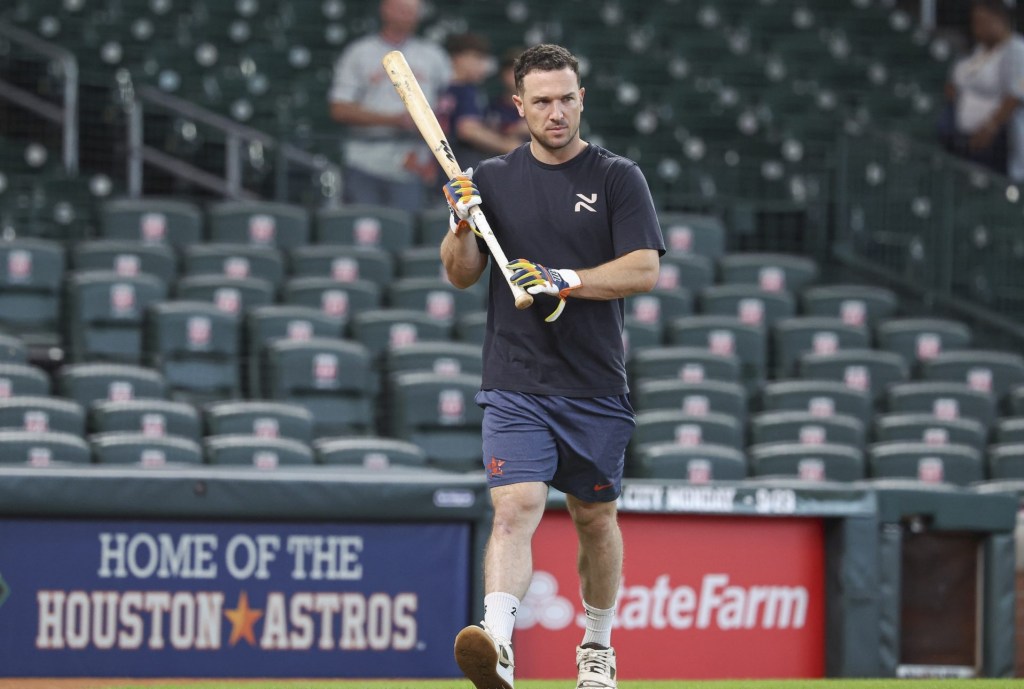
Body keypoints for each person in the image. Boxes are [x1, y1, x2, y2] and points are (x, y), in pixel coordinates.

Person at [439, 44, 665, 689]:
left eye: (567, 98)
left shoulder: (619, 177)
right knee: (515, 505)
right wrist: (460, 226)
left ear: (582, 98)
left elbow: (643, 270)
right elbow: (460, 276)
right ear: (519, 106)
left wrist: (563, 280)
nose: (556, 111)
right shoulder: (491, 180)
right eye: (541, 101)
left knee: (595, 519)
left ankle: (596, 644)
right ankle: (499, 643)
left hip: (594, 385)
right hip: (515, 380)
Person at [328, 0, 451, 212]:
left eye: (413, 11)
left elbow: (449, 105)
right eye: (401, 8)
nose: (407, 15)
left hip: (415, 161)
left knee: (409, 235)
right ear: (385, 9)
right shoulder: (359, 52)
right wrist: (394, 120)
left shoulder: (433, 55)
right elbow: (339, 108)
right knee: (363, 232)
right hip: (365, 158)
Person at [942, 0, 1024, 180]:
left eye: (982, 22)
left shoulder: (1017, 49)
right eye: (975, 22)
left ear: (999, 19)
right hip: (968, 140)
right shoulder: (980, 51)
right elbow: (957, 80)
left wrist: (989, 128)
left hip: (1000, 143)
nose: (977, 28)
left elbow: (1016, 95)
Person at [436, 33, 523, 171]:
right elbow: (467, 129)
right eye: (478, 58)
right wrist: (508, 145)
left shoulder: (447, 88)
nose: (483, 65)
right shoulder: (464, 89)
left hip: (444, 161)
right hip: (461, 161)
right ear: (458, 58)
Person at [486, 47, 532, 144]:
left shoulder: (541, 106)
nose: (518, 76)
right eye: (512, 71)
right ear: (503, 75)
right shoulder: (493, 106)